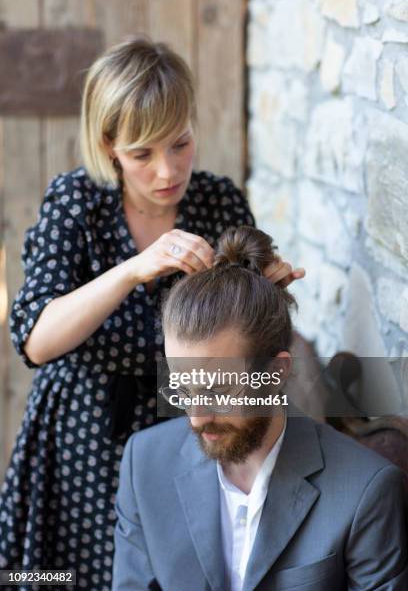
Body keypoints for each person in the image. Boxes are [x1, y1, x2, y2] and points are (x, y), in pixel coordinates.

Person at [0, 38, 303, 590]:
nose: (167, 170)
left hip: (190, 427)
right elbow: (36, 341)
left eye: (180, 143)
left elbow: (245, 335)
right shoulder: (77, 202)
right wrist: (133, 269)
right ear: (109, 145)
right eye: (142, 154)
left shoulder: (218, 202)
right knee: (69, 576)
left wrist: (265, 292)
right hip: (84, 440)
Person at [113, 225, 408, 591]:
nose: (196, 417)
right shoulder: (143, 464)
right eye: (181, 389)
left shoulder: (367, 489)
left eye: (218, 390)